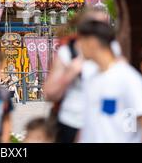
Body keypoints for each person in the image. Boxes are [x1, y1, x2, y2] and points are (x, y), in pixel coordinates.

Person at [44, 7, 121, 143]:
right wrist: (70, 74)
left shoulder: (114, 48)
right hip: (73, 120)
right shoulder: (68, 51)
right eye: (97, 26)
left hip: (103, 121)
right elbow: (49, 94)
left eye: (105, 25)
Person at [77, 20, 142, 143]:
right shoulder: (91, 78)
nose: (78, 46)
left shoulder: (127, 78)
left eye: (81, 41)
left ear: (92, 42)